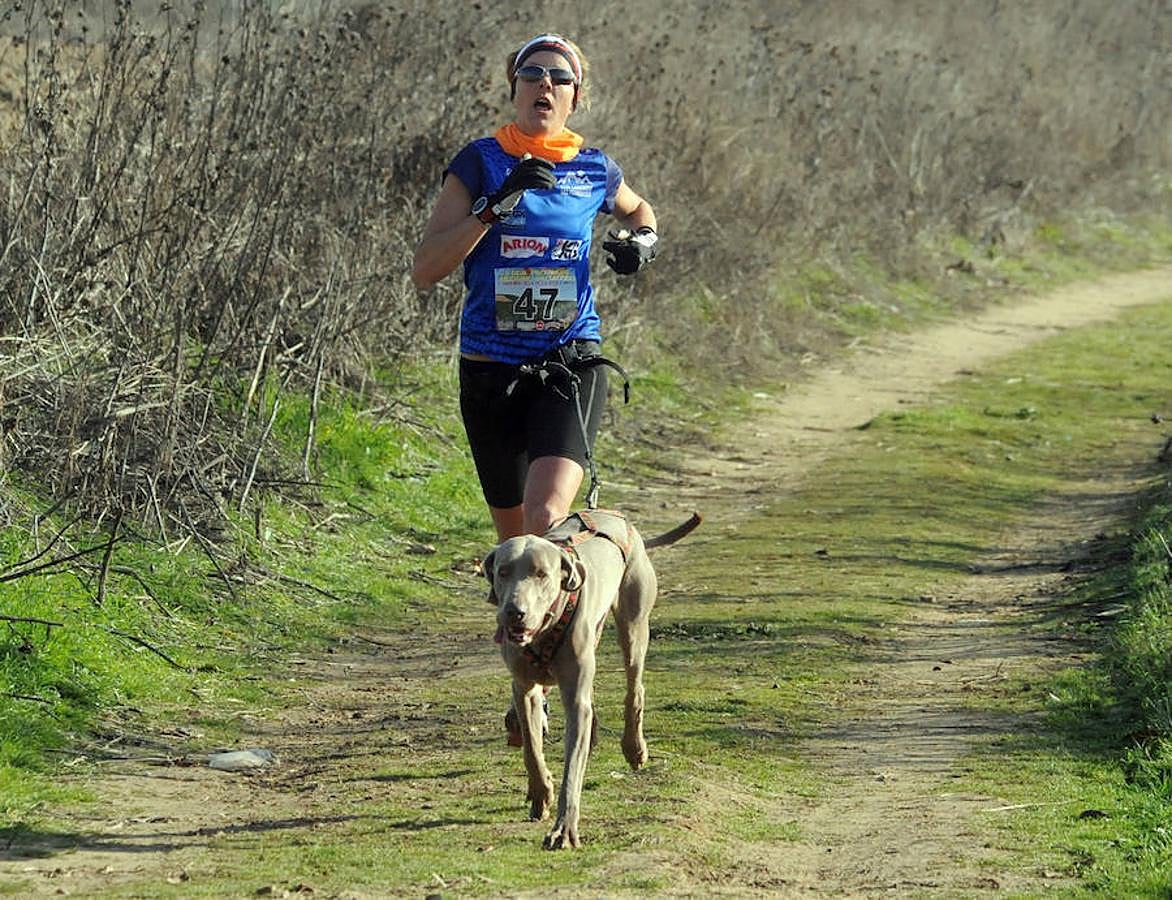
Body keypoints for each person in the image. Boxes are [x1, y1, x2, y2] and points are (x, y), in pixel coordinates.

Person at [411, 32, 658, 544]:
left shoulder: (594, 168)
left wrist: (643, 242)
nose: (545, 83)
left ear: (574, 97)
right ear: (514, 89)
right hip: (491, 369)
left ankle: (569, 598)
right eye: (532, 74)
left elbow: (638, 209)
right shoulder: (480, 162)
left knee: (545, 516)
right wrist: (492, 208)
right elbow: (426, 269)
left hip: (570, 360)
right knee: (514, 545)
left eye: (559, 77)